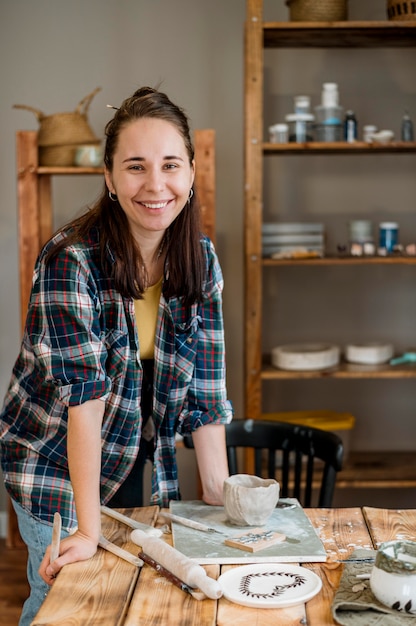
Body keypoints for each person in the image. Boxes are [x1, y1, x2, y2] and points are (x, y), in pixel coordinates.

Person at [0, 86, 233, 625]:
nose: (156, 185)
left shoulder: (199, 259)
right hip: (54, 460)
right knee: (70, 599)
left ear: (192, 172)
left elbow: (207, 391)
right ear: (108, 177)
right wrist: (85, 530)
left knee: (123, 600)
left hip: (128, 451)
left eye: (171, 165)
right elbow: (84, 403)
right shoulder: (70, 261)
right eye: (135, 167)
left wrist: (220, 498)